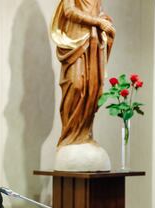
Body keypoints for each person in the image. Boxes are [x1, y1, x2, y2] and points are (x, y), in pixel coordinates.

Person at [51, 0, 116, 147]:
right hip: (76, 40)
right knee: (76, 85)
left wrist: (105, 21)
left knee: (93, 91)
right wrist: (97, 22)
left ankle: (85, 134)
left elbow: (98, 10)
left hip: (94, 41)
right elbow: (69, 10)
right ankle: (69, 136)